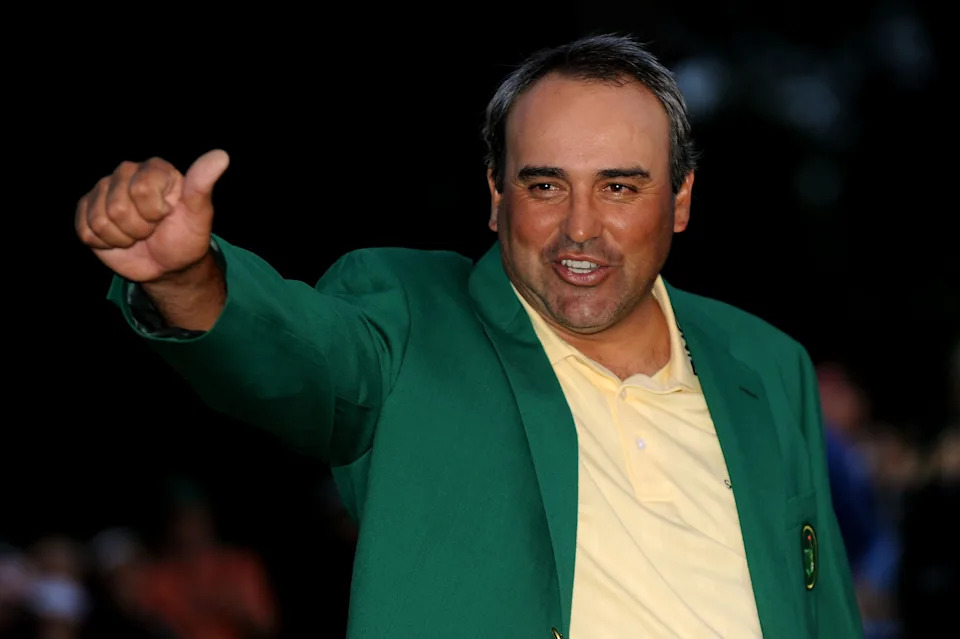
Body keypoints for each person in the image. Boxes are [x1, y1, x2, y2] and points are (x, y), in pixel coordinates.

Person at [75, 34, 862, 638]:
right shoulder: (412, 316)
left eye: (620, 187)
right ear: (495, 195)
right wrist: (185, 279)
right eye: (544, 185)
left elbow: (823, 606)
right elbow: (300, 361)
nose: (579, 229)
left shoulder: (765, 361)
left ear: (682, 199)